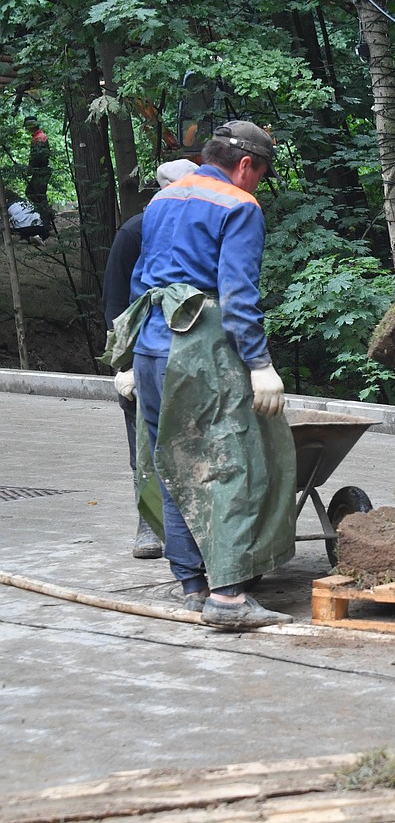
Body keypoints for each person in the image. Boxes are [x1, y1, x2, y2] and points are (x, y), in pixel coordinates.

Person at [103, 121, 296, 630]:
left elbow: (142, 278)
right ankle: (229, 598)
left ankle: (193, 585)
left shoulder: (165, 200)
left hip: (149, 346)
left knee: (170, 462)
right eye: (261, 174)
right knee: (228, 463)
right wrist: (259, 365)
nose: (257, 185)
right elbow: (238, 295)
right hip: (199, 348)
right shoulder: (238, 204)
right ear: (247, 164)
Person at [103, 159, 198, 560]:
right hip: (143, 349)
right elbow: (114, 301)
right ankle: (148, 524)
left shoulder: (198, 229)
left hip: (190, 349)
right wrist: (121, 364)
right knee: (144, 442)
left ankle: (191, 526)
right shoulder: (135, 231)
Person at [23, 116, 52, 222]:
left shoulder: (38, 138)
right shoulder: (38, 136)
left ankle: (46, 220)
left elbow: (37, 157)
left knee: (36, 194)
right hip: (41, 170)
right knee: (36, 194)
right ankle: (47, 218)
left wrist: (30, 169)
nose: (26, 128)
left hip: (41, 171)